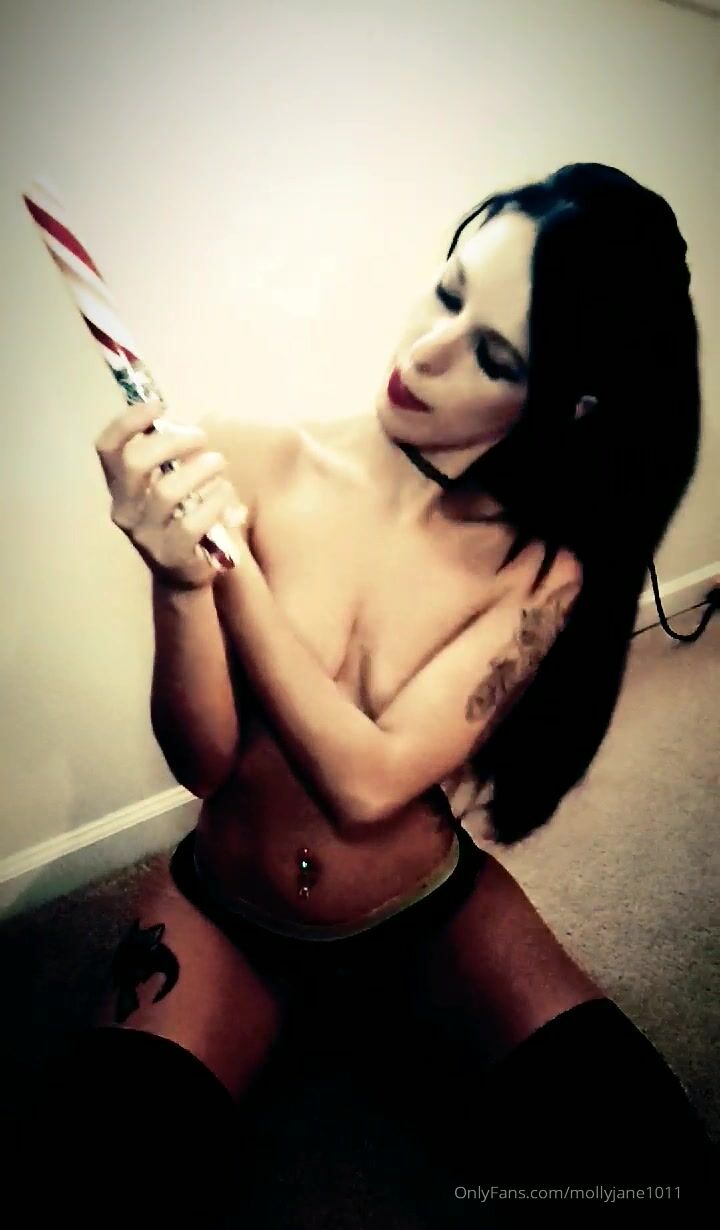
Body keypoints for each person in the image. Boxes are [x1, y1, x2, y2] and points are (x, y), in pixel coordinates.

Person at [16, 163, 713, 1222]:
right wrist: (177, 581)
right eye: (449, 292)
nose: (427, 353)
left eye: (494, 355)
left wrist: (232, 575)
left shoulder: (541, 569)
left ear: (568, 402)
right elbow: (205, 764)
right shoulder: (248, 458)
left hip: (424, 912)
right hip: (225, 911)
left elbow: (368, 782)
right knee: (93, 1179)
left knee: (642, 1164)